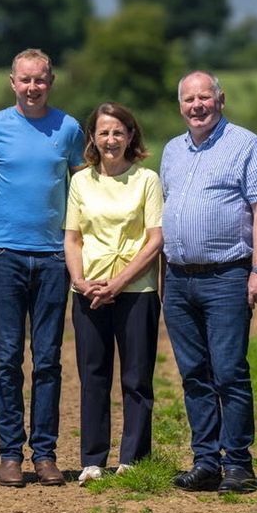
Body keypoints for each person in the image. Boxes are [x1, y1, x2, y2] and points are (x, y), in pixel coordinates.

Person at [160, 70, 257, 493]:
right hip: (177, 280)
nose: (197, 105)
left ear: (221, 100)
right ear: (180, 105)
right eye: (189, 99)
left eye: (204, 98)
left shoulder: (245, 144)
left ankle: (239, 464)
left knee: (228, 371)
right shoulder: (173, 150)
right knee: (194, 373)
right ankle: (206, 461)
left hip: (227, 276)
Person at [0, 48, 86, 487]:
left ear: (51, 81)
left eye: (40, 80)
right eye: (25, 80)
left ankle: (44, 453)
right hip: (2, 256)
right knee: (6, 358)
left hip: (54, 258)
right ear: (12, 81)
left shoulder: (69, 129)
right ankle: (8, 454)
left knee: (48, 359)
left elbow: (85, 193)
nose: (32, 87)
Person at [63, 102, 163, 485]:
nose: (111, 139)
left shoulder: (146, 180)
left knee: (137, 376)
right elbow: (72, 238)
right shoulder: (80, 182)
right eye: (104, 132)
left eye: (118, 132)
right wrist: (81, 280)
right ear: (93, 138)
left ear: (131, 136)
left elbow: (155, 240)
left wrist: (119, 283)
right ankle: (93, 459)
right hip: (88, 289)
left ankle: (134, 457)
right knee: (93, 375)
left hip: (136, 289)